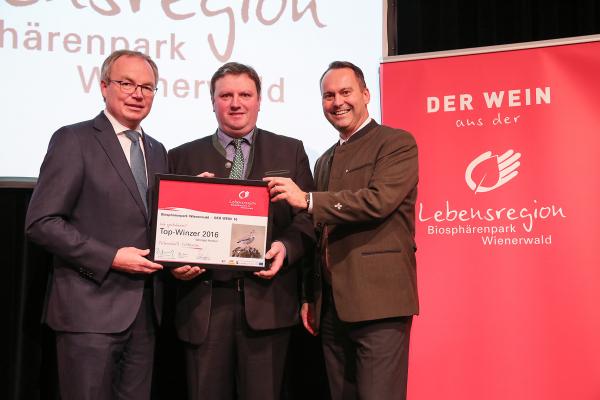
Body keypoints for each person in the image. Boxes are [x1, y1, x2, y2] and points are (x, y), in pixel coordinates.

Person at [264, 61, 419, 400]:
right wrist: (308, 296)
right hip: (331, 307)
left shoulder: (396, 143)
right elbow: (317, 231)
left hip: (379, 303)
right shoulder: (326, 159)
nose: (337, 102)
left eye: (346, 92)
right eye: (328, 95)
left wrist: (305, 199)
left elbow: (377, 201)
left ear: (365, 95)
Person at [167, 62, 315, 400]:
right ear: (212, 101)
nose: (236, 103)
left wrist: (285, 247)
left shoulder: (290, 150)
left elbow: (307, 218)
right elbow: (165, 225)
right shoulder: (182, 157)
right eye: (226, 95)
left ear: (260, 100)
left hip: (267, 304)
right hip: (203, 304)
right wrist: (175, 261)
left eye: (245, 94)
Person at [25, 50, 168, 400]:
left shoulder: (158, 150)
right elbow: (41, 222)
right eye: (127, 83)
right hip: (88, 311)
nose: (138, 93)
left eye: (147, 87)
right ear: (104, 87)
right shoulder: (74, 140)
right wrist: (111, 257)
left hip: (145, 315)